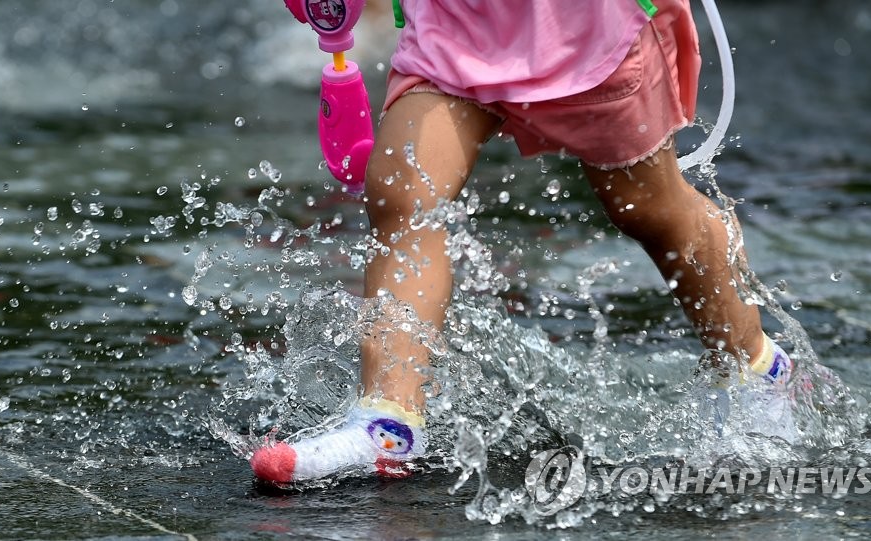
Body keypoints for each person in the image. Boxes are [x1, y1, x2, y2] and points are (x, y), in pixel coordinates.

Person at [250, 0, 797, 484]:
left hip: (588, 31)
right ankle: (388, 421)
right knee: (401, 196)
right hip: (456, 20)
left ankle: (756, 364)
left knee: (651, 212)